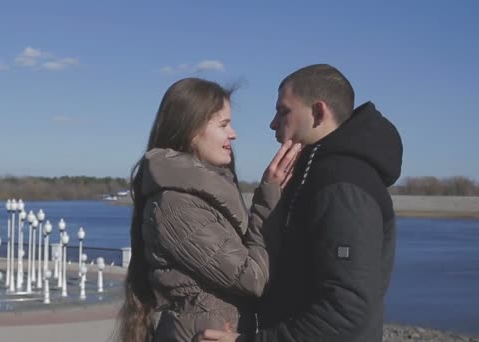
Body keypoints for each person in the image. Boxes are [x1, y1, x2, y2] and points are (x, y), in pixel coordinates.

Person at [196, 64, 403, 342]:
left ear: (318, 113)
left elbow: (347, 314)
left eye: (283, 111)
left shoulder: (343, 183)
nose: (272, 123)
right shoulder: (314, 174)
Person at [117, 77, 301, 342]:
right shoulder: (176, 206)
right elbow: (252, 278)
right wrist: (267, 200)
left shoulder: (198, 196)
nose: (233, 134)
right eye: (224, 124)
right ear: (192, 131)